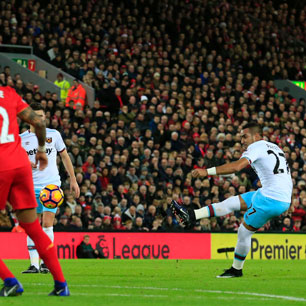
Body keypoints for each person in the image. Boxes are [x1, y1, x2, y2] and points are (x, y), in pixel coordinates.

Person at [171, 122, 292, 278]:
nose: (242, 140)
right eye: (241, 137)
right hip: (277, 196)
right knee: (231, 202)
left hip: (270, 198)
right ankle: (192, 215)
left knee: (244, 232)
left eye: (245, 136)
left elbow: (236, 167)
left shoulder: (256, 147)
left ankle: (236, 269)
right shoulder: (275, 147)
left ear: (256, 136)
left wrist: (206, 172)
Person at [0, 76, 69, 296]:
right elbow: (38, 122)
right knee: (33, 228)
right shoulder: (9, 93)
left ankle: (10, 282)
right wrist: (41, 149)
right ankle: (61, 285)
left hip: (1, 166)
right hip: (20, 165)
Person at [20, 102, 80, 274]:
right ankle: (34, 264)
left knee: (47, 223)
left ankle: (46, 262)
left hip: (51, 187)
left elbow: (65, 156)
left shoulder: (54, 135)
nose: (39, 119)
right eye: (36, 116)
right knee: (32, 225)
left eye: (42, 116)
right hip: (30, 187)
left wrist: (73, 179)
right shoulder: (21, 139)